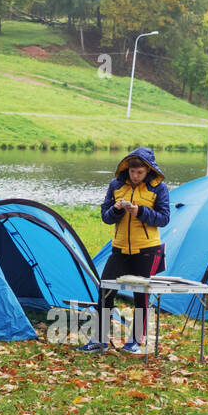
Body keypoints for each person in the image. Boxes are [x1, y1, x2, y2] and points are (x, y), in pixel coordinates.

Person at [79, 146, 171, 354]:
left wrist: (141, 212)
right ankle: (100, 339)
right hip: (119, 249)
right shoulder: (116, 185)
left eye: (140, 172)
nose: (136, 176)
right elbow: (105, 216)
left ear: (148, 171)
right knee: (105, 290)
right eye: (132, 172)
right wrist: (116, 210)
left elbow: (164, 218)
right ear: (127, 170)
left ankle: (136, 341)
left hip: (147, 249)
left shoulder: (159, 188)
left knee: (141, 295)